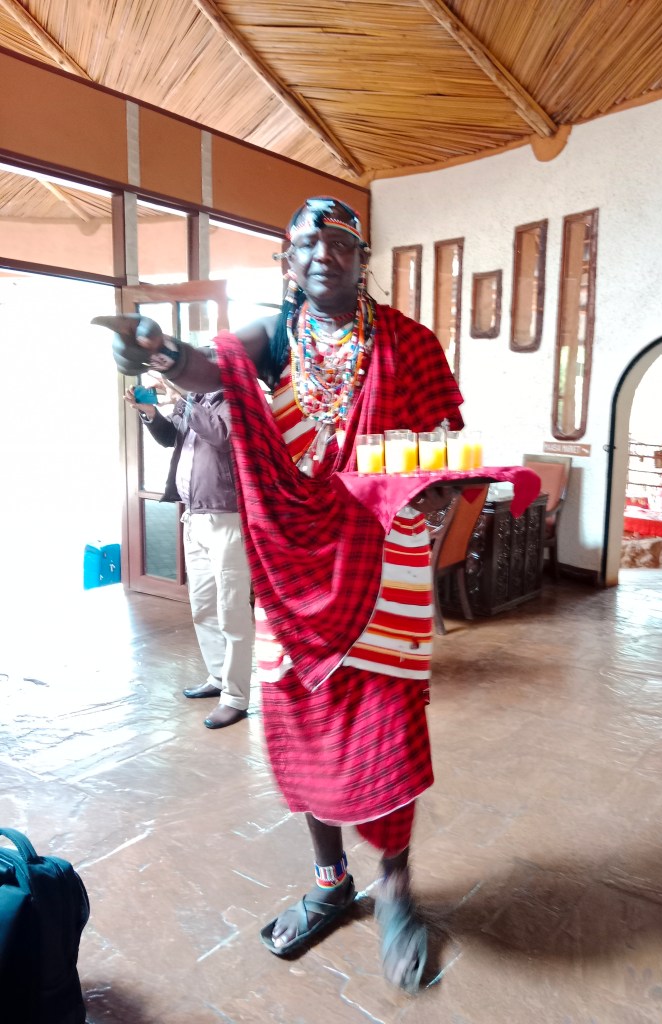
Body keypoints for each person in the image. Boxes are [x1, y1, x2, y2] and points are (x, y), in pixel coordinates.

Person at [97, 196, 464, 994]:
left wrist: (437, 489)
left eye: (339, 242)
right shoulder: (274, 336)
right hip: (296, 565)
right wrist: (159, 350)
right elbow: (209, 367)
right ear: (288, 263)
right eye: (306, 243)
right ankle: (331, 882)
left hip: (388, 563)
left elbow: (442, 448)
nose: (322, 252)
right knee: (304, 722)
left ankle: (395, 886)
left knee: (389, 728)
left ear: (362, 258)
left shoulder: (410, 344)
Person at [124, 379, 254, 730]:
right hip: (193, 516)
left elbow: (222, 437)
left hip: (227, 518)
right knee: (203, 607)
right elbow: (172, 438)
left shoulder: (236, 397)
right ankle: (218, 677)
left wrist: (181, 399)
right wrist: (151, 412)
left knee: (232, 612)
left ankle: (236, 697)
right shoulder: (197, 398)